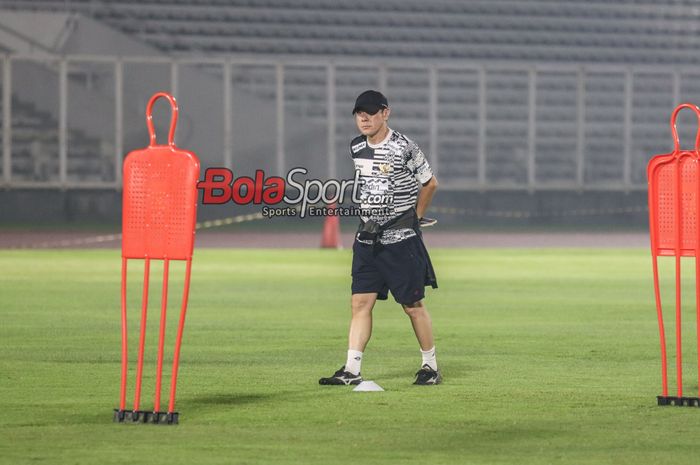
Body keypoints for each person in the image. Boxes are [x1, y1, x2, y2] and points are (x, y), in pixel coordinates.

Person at [319, 90, 441, 386]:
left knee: (412, 306)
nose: (364, 118)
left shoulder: (404, 147)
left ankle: (430, 367)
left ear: (385, 113)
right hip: (366, 238)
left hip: (401, 240)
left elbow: (430, 183)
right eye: (360, 113)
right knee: (360, 304)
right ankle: (351, 369)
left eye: (371, 112)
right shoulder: (356, 146)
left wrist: (415, 216)